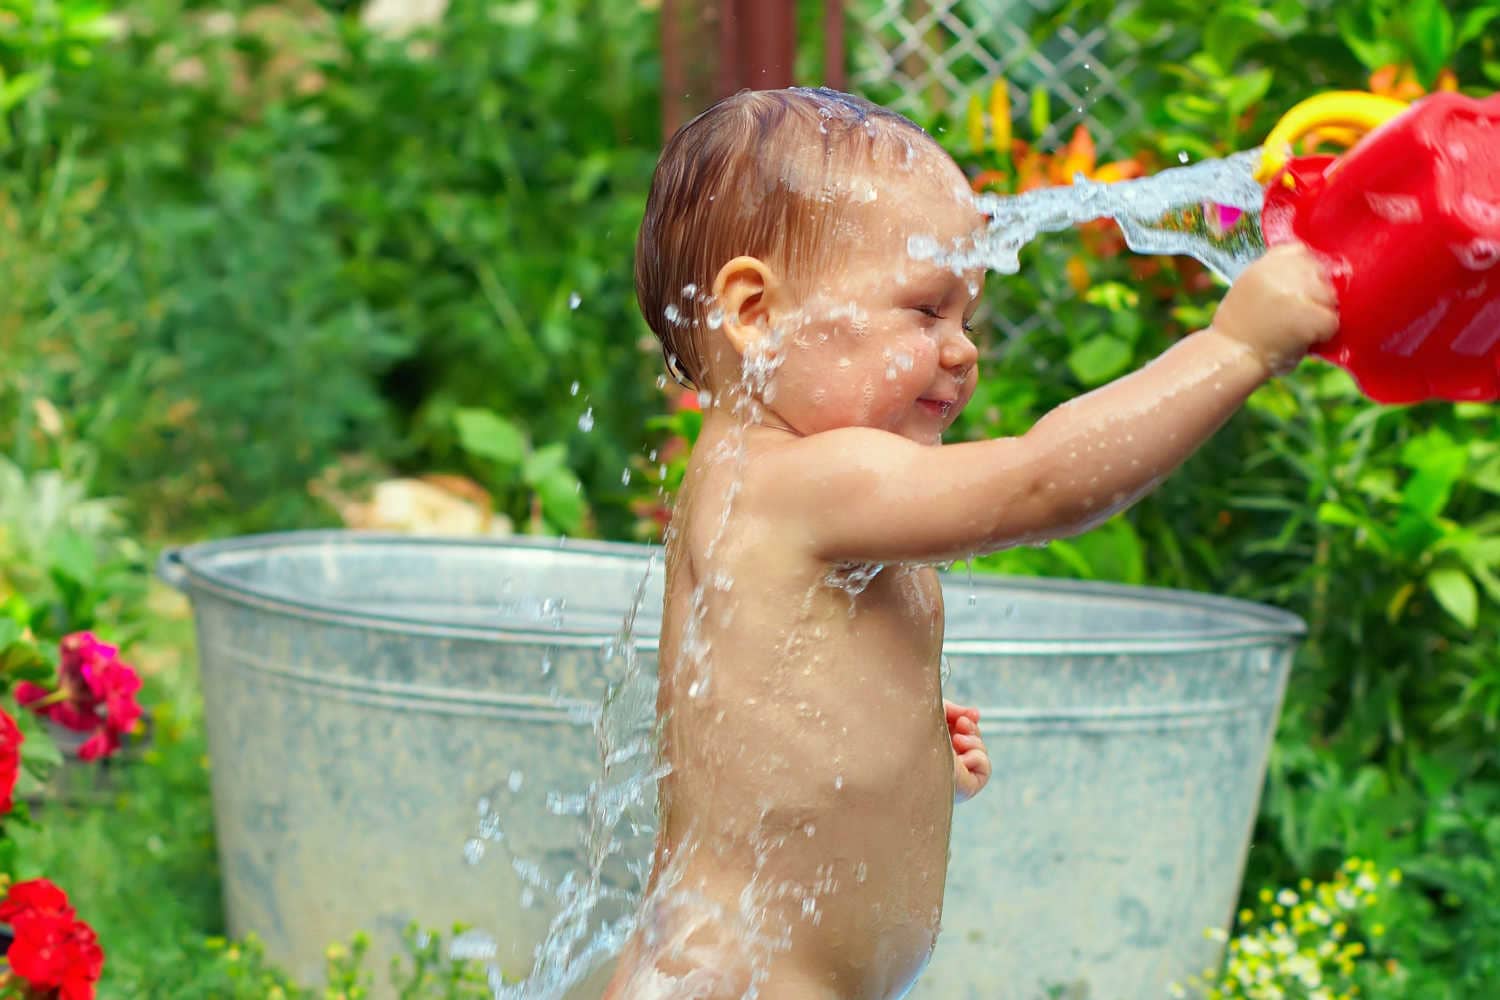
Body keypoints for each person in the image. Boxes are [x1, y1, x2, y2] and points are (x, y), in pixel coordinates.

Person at [605, 87, 1338, 1000]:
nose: (961, 352)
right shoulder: (797, 481)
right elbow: (1041, 481)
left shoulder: (803, 487)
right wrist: (1235, 348)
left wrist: (907, 765)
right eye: (923, 311)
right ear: (755, 315)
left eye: (966, 317)